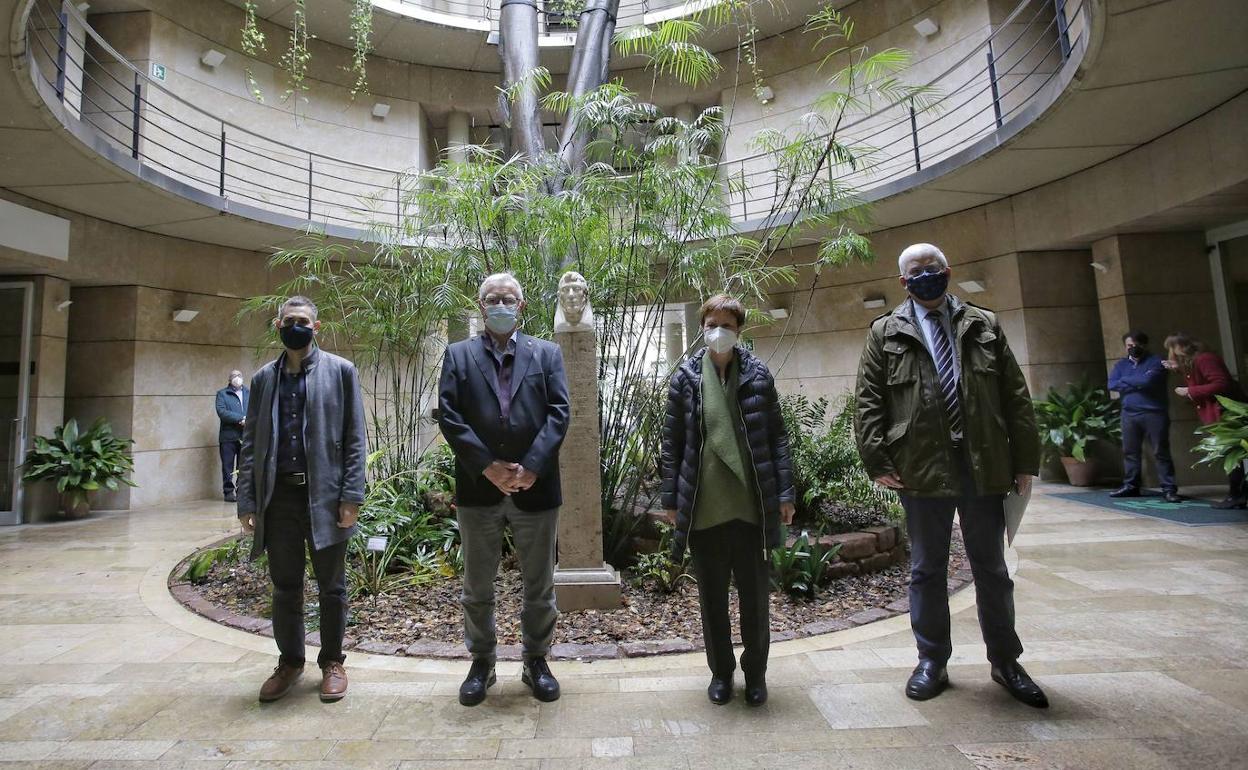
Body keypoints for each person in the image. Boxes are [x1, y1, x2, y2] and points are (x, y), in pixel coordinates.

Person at [854, 243, 1048, 708]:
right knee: (926, 569)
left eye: (933, 268)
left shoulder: (984, 324)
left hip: (984, 464)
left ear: (948, 270)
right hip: (919, 467)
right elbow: (868, 401)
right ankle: (931, 661)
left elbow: (1015, 396)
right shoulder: (885, 331)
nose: (926, 275)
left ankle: (1006, 661)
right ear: (903, 282)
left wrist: (1025, 462)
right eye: (916, 271)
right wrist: (878, 461)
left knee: (992, 569)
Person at [438, 273, 571, 707]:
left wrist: (531, 466)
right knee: (478, 585)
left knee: (540, 585)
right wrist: (488, 467)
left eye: (508, 298)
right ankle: (482, 663)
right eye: (492, 299)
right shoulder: (458, 355)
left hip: (537, 486)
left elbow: (559, 412)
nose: (500, 304)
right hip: (480, 489)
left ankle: (536, 661)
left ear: (523, 305)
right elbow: (450, 416)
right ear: (481, 307)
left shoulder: (547, 353)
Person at [660, 294, 796, 707]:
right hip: (704, 508)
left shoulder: (757, 375)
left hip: (751, 507)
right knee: (712, 600)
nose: (718, 331)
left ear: (739, 331)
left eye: (727, 325)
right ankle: (721, 674)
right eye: (711, 323)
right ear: (702, 327)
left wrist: (786, 494)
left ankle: (756, 675)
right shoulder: (685, 378)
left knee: (755, 601)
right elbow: (672, 445)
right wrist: (671, 499)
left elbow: (777, 436)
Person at [236, 296, 368, 704]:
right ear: (278, 325)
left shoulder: (340, 372)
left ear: (317, 326)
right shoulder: (263, 379)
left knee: (332, 587)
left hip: (326, 498)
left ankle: (332, 662)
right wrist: (247, 502)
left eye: (303, 320)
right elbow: (250, 444)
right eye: (289, 320)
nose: (296, 325)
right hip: (279, 500)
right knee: (285, 586)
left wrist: (351, 496)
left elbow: (354, 440)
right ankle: (290, 662)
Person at [1163, 333, 1245, 508]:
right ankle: (1236, 494)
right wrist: (1178, 369)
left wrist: (1189, 391)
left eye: (1174, 350)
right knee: (1229, 456)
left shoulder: (1205, 359)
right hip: (1218, 415)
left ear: (1183, 348)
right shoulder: (1194, 362)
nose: (1172, 354)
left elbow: (1221, 383)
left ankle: (1237, 495)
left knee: (1232, 456)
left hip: (1226, 414)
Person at [1108, 332, 1179, 502]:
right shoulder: (1121, 364)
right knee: (1130, 452)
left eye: (1136, 345)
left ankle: (1169, 489)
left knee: (1160, 451)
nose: (1133, 348)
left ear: (1144, 345)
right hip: (1129, 413)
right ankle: (1131, 486)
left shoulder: (1157, 362)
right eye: (1129, 346)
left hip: (1154, 413)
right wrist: (1137, 380)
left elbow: (1148, 382)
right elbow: (1112, 384)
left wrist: (1126, 381)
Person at [215, 370, 249, 502]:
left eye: (239, 375)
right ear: (229, 379)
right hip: (228, 436)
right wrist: (241, 419)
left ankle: (241, 491)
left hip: (245, 436)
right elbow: (222, 412)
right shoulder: (222, 394)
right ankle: (228, 492)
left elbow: (255, 409)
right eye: (234, 376)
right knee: (227, 466)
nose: (237, 378)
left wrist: (249, 420)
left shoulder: (248, 393)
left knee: (243, 466)